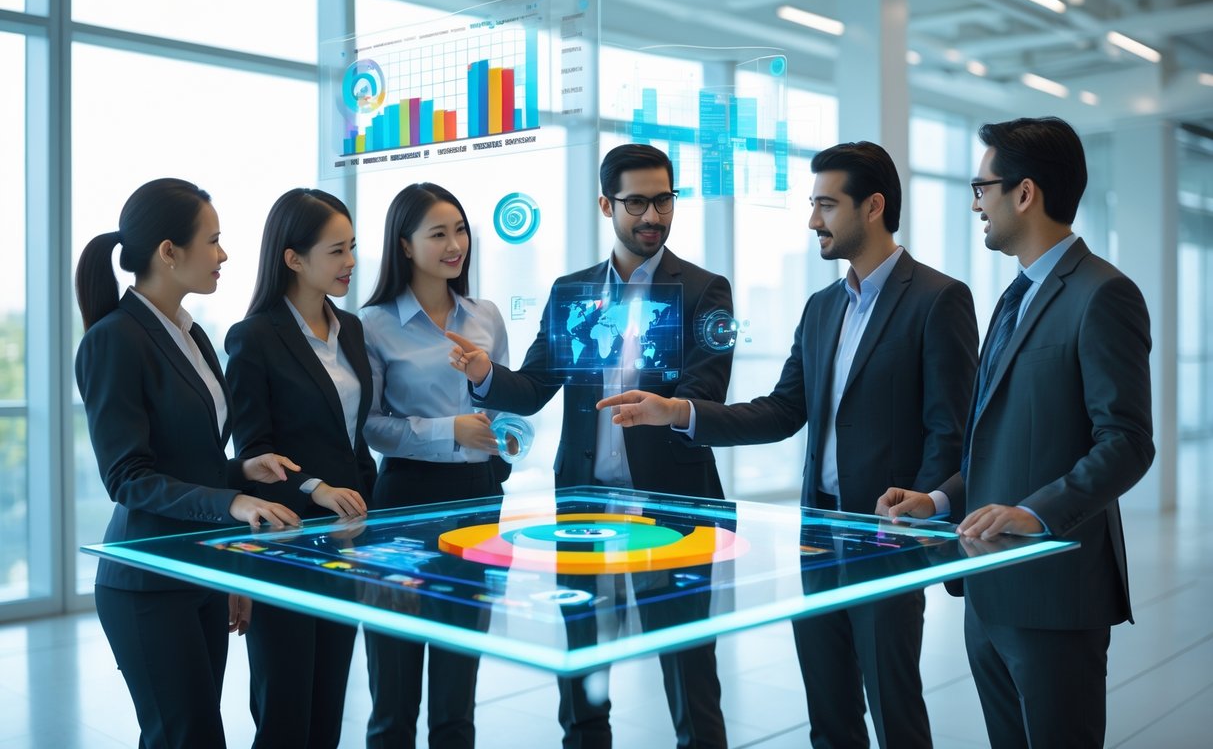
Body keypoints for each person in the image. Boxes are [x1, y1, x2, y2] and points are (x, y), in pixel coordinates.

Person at [597, 141, 979, 749]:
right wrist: (680, 412)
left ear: (873, 206)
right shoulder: (823, 306)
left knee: (894, 710)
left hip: (888, 534)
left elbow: (951, 428)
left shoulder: (939, 299)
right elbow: (783, 411)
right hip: (818, 533)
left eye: (825, 205)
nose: (812, 221)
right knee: (828, 715)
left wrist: (928, 512)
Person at [877, 116, 1154, 748]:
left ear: (1023, 193)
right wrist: (940, 500)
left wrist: (1033, 513)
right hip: (989, 587)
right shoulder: (1013, 295)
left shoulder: (1103, 294)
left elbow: (1128, 442)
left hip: (1055, 594)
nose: (976, 203)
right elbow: (995, 439)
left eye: (981, 188)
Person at [448, 143, 734, 749]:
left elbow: (705, 389)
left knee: (687, 665)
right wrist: (484, 376)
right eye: (637, 202)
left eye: (664, 200)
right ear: (607, 204)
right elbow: (532, 387)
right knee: (583, 662)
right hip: (586, 505)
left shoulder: (707, 291)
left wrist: (665, 409)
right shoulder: (572, 291)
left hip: (674, 505)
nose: (652, 215)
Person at [74, 178, 301, 749]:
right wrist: (233, 501)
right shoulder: (114, 340)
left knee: (201, 735)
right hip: (146, 582)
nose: (224, 255)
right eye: (213, 241)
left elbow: (189, 460)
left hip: (200, 567)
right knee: (187, 736)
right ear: (169, 252)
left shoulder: (192, 335)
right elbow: (128, 477)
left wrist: (240, 474)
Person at [224, 188, 375, 749]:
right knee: (286, 704)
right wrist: (315, 487)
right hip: (285, 537)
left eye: (352, 248)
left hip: (346, 538)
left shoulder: (351, 329)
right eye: (336, 251)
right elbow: (252, 451)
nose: (351, 263)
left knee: (329, 699)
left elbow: (353, 439)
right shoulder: (254, 337)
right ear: (293, 258)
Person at [360, 182, 509, 748]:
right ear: (404, 245)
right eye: (439, 233)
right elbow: (369, 424)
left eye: (461, 230)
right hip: (404, 499)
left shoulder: (486, 316)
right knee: (393, 688)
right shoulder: (372, 323)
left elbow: (504, 404)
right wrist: (450, 432)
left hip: (478, 497)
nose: (456, 245)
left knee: (456, 683)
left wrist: (506, 438)